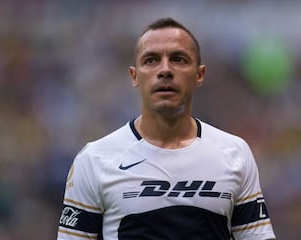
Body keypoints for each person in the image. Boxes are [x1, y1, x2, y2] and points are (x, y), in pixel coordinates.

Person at [57, 17, 276, 240]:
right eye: (151, 60)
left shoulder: (235, 153)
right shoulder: (95, 159)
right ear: (135, 76)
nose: (165, 70)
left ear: (199, 74)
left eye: (178, 59)